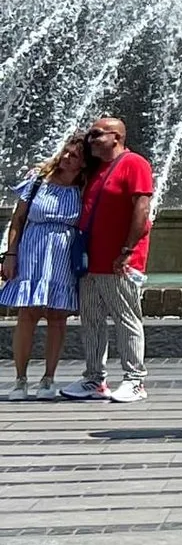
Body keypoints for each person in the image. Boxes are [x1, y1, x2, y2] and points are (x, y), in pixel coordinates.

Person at [70, 114, 155, 404]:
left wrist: (128, 251)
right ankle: (94, 378)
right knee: (91, 319)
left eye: (96, 134)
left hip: (120, 261)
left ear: (116, 137)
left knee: (126, 319)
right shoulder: (96, 168)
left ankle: (135, 380)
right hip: (91, 260)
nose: (90, 140)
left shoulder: (134, 163)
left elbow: (142, 209)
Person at [4, 134, 92, 395]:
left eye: (74, 155)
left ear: (84, 164)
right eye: (66, 151)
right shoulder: (37, 179)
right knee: (27, 314)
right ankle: (20, 379)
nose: (66, 157)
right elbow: (18, 220)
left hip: (63, 255)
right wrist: (10, 255)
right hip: (33, 249)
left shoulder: (84, 186)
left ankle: (48, 379)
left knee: (57, 317)